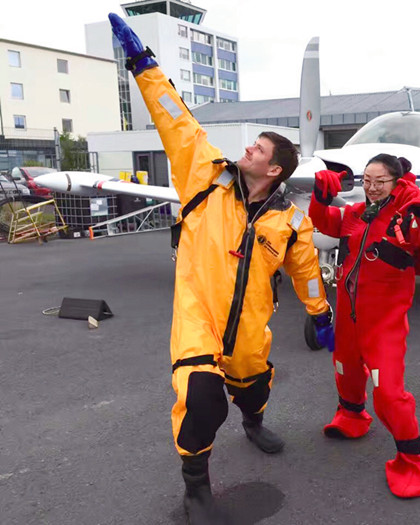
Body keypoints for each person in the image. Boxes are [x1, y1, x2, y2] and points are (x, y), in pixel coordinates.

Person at [108, 13, 334, 524]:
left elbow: (305, 272)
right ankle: (197, 490)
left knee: (253, 386)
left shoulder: (290, 222)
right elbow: (174, 117)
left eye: (257, 148)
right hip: (198, 317)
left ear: (273, 169)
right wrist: (143, 65)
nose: (247, 148)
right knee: (202, 397)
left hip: (251, 327)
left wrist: (320, 313)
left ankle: (253, 423)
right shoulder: (204, 178)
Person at [309, 154, 420, 498]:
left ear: (396, 183)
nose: (371, 188)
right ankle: (351, 416)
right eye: (367, 181)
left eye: (380, 182)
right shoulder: (354, 213)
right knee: (345, 369)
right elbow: (325, 222)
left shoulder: (405, 218)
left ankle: (411, 457)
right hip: (348, 315)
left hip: (384, 321)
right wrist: (320, 197)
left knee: (388, 390)